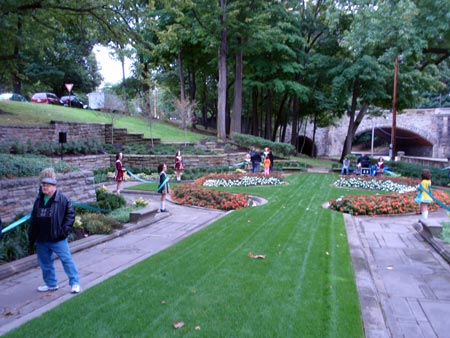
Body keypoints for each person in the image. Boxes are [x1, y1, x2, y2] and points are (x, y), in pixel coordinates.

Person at [28, 168, 81, 293]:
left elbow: (70, 217)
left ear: (54, 187)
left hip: (58, 238)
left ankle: (75, 283)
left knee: (66, 260)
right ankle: (51, 284)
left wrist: (63, 232)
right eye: (43, 185)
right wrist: (32, 236)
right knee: (45, 263)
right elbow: (34, 218)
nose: (44, 188)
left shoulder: (63, 200)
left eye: (47, 186)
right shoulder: (39, 200)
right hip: (41, 239)